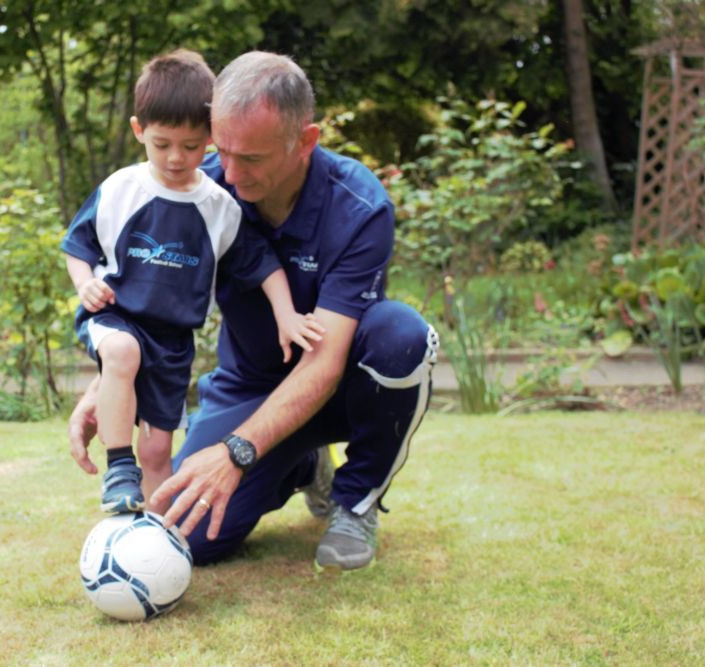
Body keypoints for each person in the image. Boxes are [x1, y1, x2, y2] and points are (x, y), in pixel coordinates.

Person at [68, 51, 438, 571]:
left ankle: (355, 500)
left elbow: (325, 362)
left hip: (338, 387)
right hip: (249, 385)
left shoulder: (359, 206)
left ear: (304, 141)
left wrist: (236, 453)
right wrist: (109, 383)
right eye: (222, 151)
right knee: (184, 537)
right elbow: (145, 298)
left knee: (402, 337)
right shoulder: (201, 186)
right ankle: (302, 466)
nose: (231, 175)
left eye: (253, 159)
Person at [61, 49, 324, 515]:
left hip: (173, 341)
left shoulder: (218, 206)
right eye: (162, 145)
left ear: (211, 137)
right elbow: (77, 247)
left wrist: (286, 316)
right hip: (115, 317)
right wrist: (85, 285)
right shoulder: (121, 189)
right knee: (122, 352)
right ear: (139, 130)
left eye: (191, 146)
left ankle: (161, 533)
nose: (177, 158)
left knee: (160, 451)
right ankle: (120, 471)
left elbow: (262, 264)